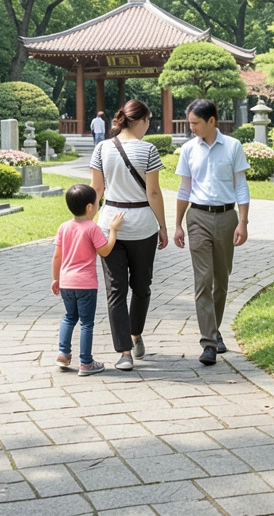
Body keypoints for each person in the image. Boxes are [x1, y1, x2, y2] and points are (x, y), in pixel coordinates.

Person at [90, 100, 168, 371]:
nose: (149, 126)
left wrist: (87, 223)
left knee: (116, 290)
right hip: (143, 226)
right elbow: (153, 192)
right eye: (148, 121)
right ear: (140, 120)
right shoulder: (148, 150)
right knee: (141, 286)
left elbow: (96, 190)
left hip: (109, 223)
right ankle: (130, 341)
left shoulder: (102, 148)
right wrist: (163, 227)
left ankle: (128, 346)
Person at [172, 99, 250, 366]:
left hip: (227, 217)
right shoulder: (188, 149)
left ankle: (215, 331)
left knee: (221, 280)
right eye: (190, 122)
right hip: (197, 217)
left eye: (195, 123)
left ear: (211, 121)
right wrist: (177, 224)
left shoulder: (233, 146)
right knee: (203, 279)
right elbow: (184, 189)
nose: (191, 127)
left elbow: (241, 186)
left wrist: (243, 222)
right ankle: (208, 342)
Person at [52, 184, 123, 377]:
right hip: (86, 285)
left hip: (66, 283)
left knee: (69, 317)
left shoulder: (64, 227)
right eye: (97, 202)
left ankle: (63, 353)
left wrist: (56, 279)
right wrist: (113, 230)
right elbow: (105, 251)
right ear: (89, 207)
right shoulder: (92, 228)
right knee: (86, 323)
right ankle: (86, 363)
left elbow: (57, 256)